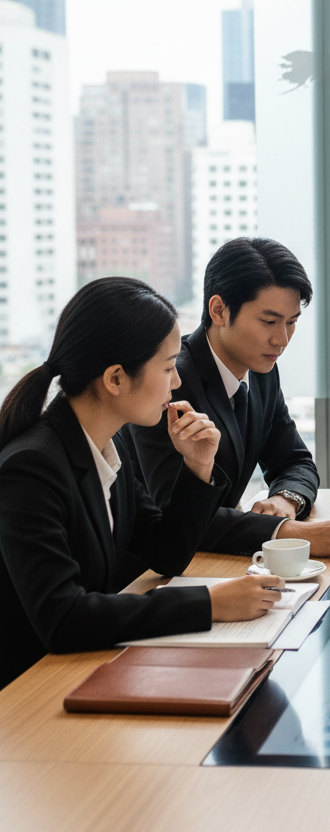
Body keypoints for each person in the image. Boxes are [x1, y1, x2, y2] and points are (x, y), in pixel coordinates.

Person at [0, 277, 286, 689]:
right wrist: (209, 604)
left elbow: (165, 551)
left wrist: (197, 468)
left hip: (87, 668)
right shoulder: (32, 467)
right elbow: (63, 618)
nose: (175, 383)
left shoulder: (108, 442)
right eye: (168, 367)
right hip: (31, 691)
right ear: (116, 378)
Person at [131, 238, 330, 559]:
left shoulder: (262, 371)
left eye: (291, 323)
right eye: (269, 322)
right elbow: (175, 514)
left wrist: (285, 500)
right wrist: (285, 532)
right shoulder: (171, 383)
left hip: (220, 558)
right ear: (219, 310)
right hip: (156, 569)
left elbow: (294, 461)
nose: (281, 340)